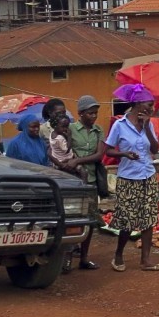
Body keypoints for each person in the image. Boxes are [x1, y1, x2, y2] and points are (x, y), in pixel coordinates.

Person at [105, 84, 159, 272]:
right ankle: (119, 255)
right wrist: (124, 154)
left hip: (148, 176)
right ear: (138, 104)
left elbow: (154, 149)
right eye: (149, 104)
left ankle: (145, 260)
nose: (151, 109)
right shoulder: (119, 125)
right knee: (127, 220)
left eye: (152, 105)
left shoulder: (149, 124)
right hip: (128, 178)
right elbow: (108, 149)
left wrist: (146, 127)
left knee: (148, 218)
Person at [65, 95, 106, 272]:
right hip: (72, 180)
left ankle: (84, 257)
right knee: (70, 219)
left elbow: (99, 155)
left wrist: (78, 161)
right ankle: (66, 259)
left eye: (95, 113)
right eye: (90, 113)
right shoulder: (71, 128)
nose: (94, 116)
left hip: (91, 181)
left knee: (89, 220)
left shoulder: (99, 131)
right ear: (80, 114)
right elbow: (66, 149)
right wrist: (73, 162)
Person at [48, 114, 87, 181]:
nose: (66, 129)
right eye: (63, 127)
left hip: (58, 159)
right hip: (65, 160)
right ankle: (84, 186)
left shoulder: (52, 133)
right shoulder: (59, 138)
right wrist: (69, 136)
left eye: (67, 126)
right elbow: (67, 149)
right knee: (83, 171)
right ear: (55, 126)